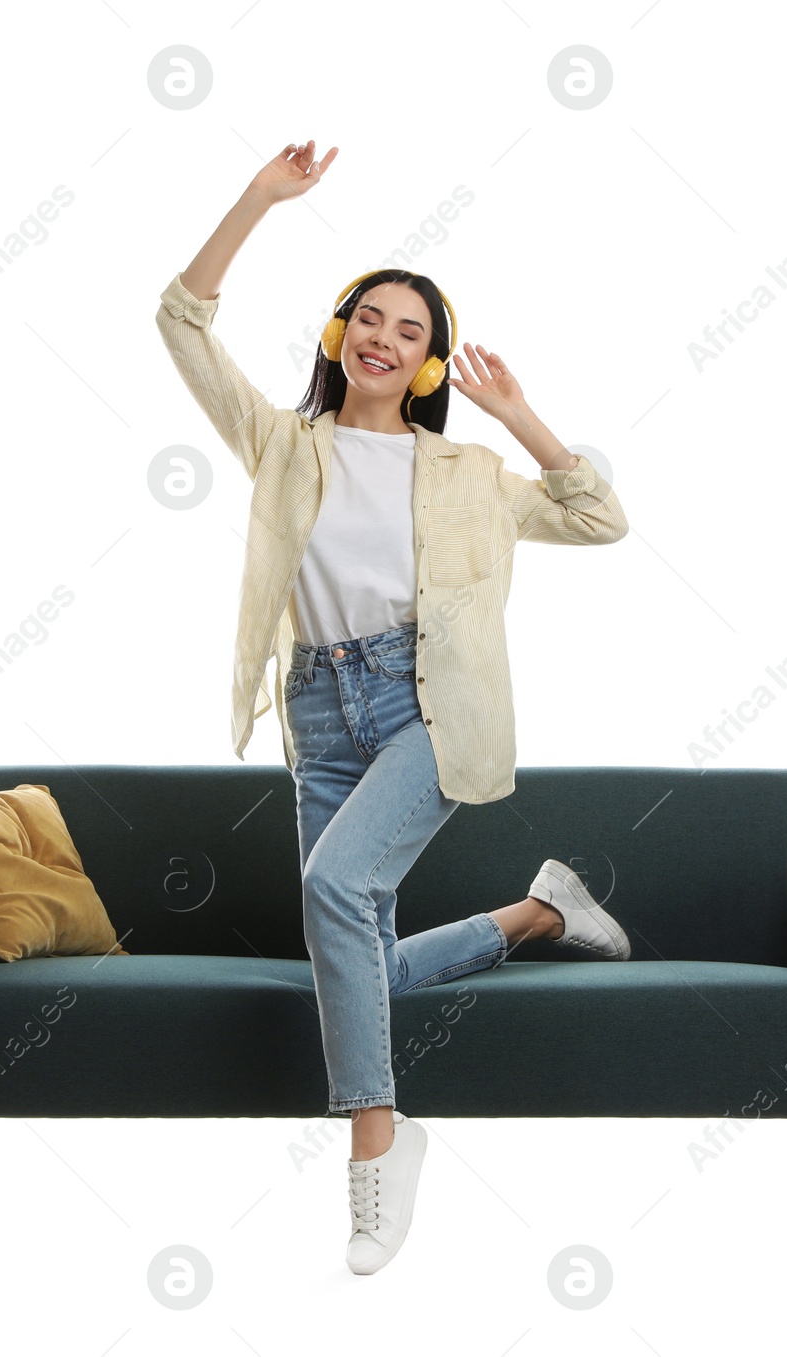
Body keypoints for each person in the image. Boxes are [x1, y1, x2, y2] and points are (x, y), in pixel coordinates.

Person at [156, 140, 632, 1274]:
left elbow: (599, 517)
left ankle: (377, 1144)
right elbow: (180, 319)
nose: (384, 336)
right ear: (339, 336)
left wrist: (521, 418)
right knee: (354, 945)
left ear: (428, 365)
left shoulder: (467, 476)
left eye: (410, 330)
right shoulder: (283, 443)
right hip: (320, 709)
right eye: (368, 317)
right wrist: (259, 201)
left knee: (332, 887)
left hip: (429, 704)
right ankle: (537, 917)